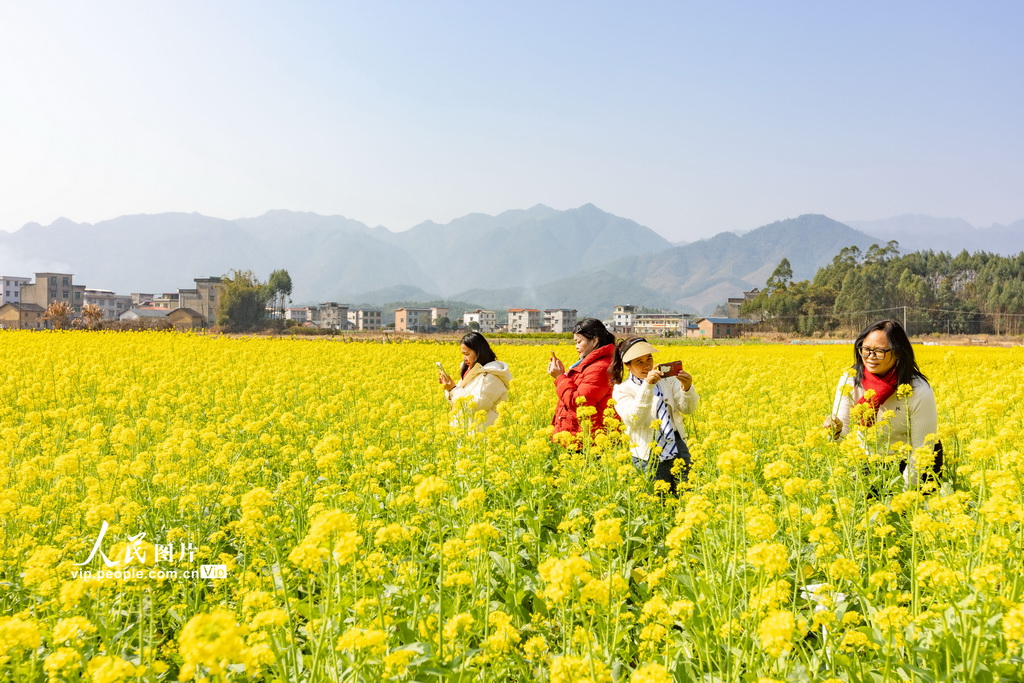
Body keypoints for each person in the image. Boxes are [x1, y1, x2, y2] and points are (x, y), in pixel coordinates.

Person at [826, 319, 941, 486]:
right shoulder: (850, 380)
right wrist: (834, 431)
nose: (871, 357)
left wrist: (907, 495)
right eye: (866, 350)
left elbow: (921, 451)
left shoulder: (918, 390)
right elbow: (842, 435)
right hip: (868, 461)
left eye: (879, 351)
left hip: (912, 463)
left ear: (898, 352)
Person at [612, 336, 699, 495]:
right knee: (657, 499)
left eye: (649, 358)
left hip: (677, 444)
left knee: (686, 493)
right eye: (639, 362)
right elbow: (635, 419)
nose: (647, 365)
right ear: (628, 365)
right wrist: (647, 387)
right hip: (648, 452)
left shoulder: (669, 381)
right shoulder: (622, 390)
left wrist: (687, 388)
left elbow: (688, 409)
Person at [548, 318, 619, 441]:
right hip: (579, 434)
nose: (576, 347)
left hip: (589, 440)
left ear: (594, 341)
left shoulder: (600, 368)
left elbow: (579, 402)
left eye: (579, 342)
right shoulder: (589, 364)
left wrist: (559, 377)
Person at [438, 332, 512, 430]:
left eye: (467, 354)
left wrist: (453, 389)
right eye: (463, 354)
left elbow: (477, 405)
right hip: (468, 431)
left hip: (482, 433)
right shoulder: (471, 372)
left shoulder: (491, 377)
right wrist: (449, 388)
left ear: (479, 353)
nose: (464, 358)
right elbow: (459, 400)